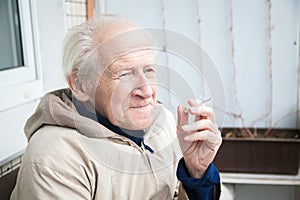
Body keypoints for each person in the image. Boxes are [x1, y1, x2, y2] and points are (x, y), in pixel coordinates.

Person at [11, 14, 222, 200]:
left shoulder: (162, 121)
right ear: (80, 84)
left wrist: (197, 173)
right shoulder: (55, 157)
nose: (147, 91)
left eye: (149, 70)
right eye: (125, 74)